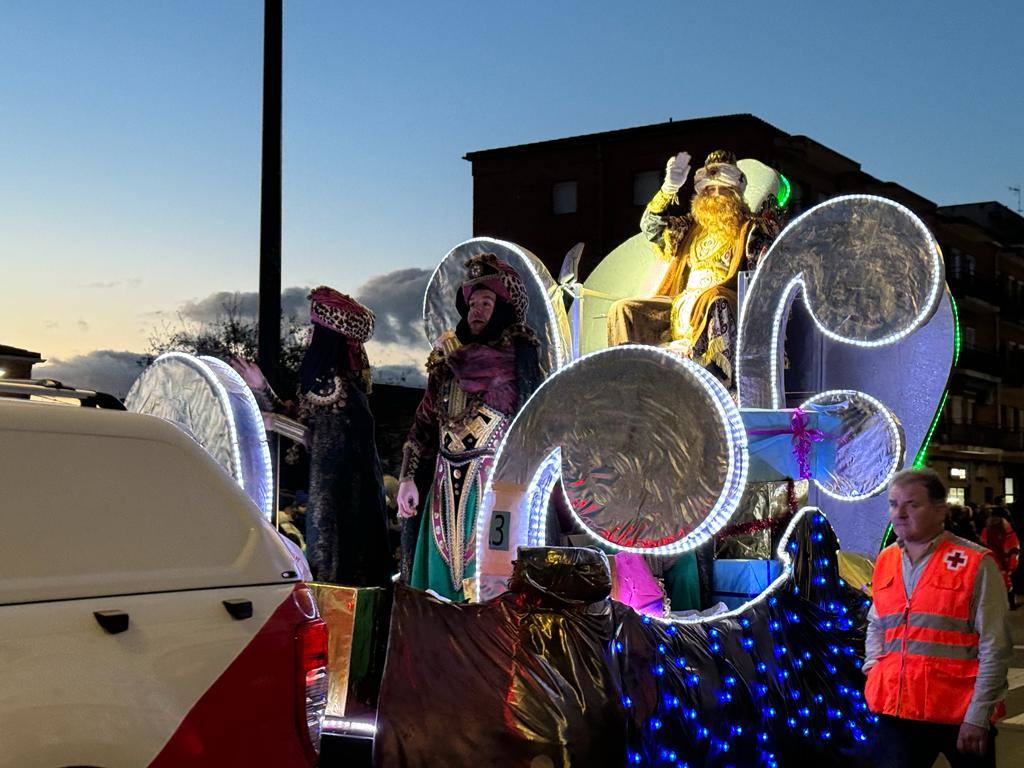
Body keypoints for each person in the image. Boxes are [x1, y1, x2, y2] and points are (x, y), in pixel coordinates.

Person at [397, 253, 541, 601]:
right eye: (472, 303)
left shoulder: (519, 359)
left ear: (504, 307)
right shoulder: (446, 364)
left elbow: (535, 426)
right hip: (442, 491)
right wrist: (406, 479)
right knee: (437, 591)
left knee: (492, 588)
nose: (476, 310)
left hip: (494, 488)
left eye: (486, 302)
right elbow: (423, 426)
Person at [233, 287, 392, 588]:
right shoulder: (329, 385)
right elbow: (303, 421)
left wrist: (271, 421)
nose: (308, 337)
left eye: (315, 330)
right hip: (332, 501)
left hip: (340, 507)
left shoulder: (339, 388)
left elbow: (315, 441)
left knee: (336, 572)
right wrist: (262, 388)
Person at [864, 468, 1012, 767]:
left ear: (939, 510)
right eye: (893, 504)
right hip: (898, 712)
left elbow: (995, 645)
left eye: (912, 504)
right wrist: (874, 668)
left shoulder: (974, 563)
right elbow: (877, 623)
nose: (900, 513)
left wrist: (978, 716)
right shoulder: (886, 560)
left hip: (960, 715)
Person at [606, 150, 780, 386]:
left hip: (724, 303)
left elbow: (766, 276)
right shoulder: (688, 229)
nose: (716, 195)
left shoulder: (752, 228)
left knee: (714, 298)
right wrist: (669, 188)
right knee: (623, 309)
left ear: (736, 195)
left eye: (724, 190)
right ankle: (627, 380)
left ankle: (721, 380)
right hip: (681, 306)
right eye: (709, 189)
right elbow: (650, 227)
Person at [980, 513, 1020, 609]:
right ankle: (1011, 603)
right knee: (1007, 581)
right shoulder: (1007, 531)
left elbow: (982, 544)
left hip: (991, 559)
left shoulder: (986, 530)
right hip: (1003, 560)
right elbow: (1013, 547)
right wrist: (1012, 562)